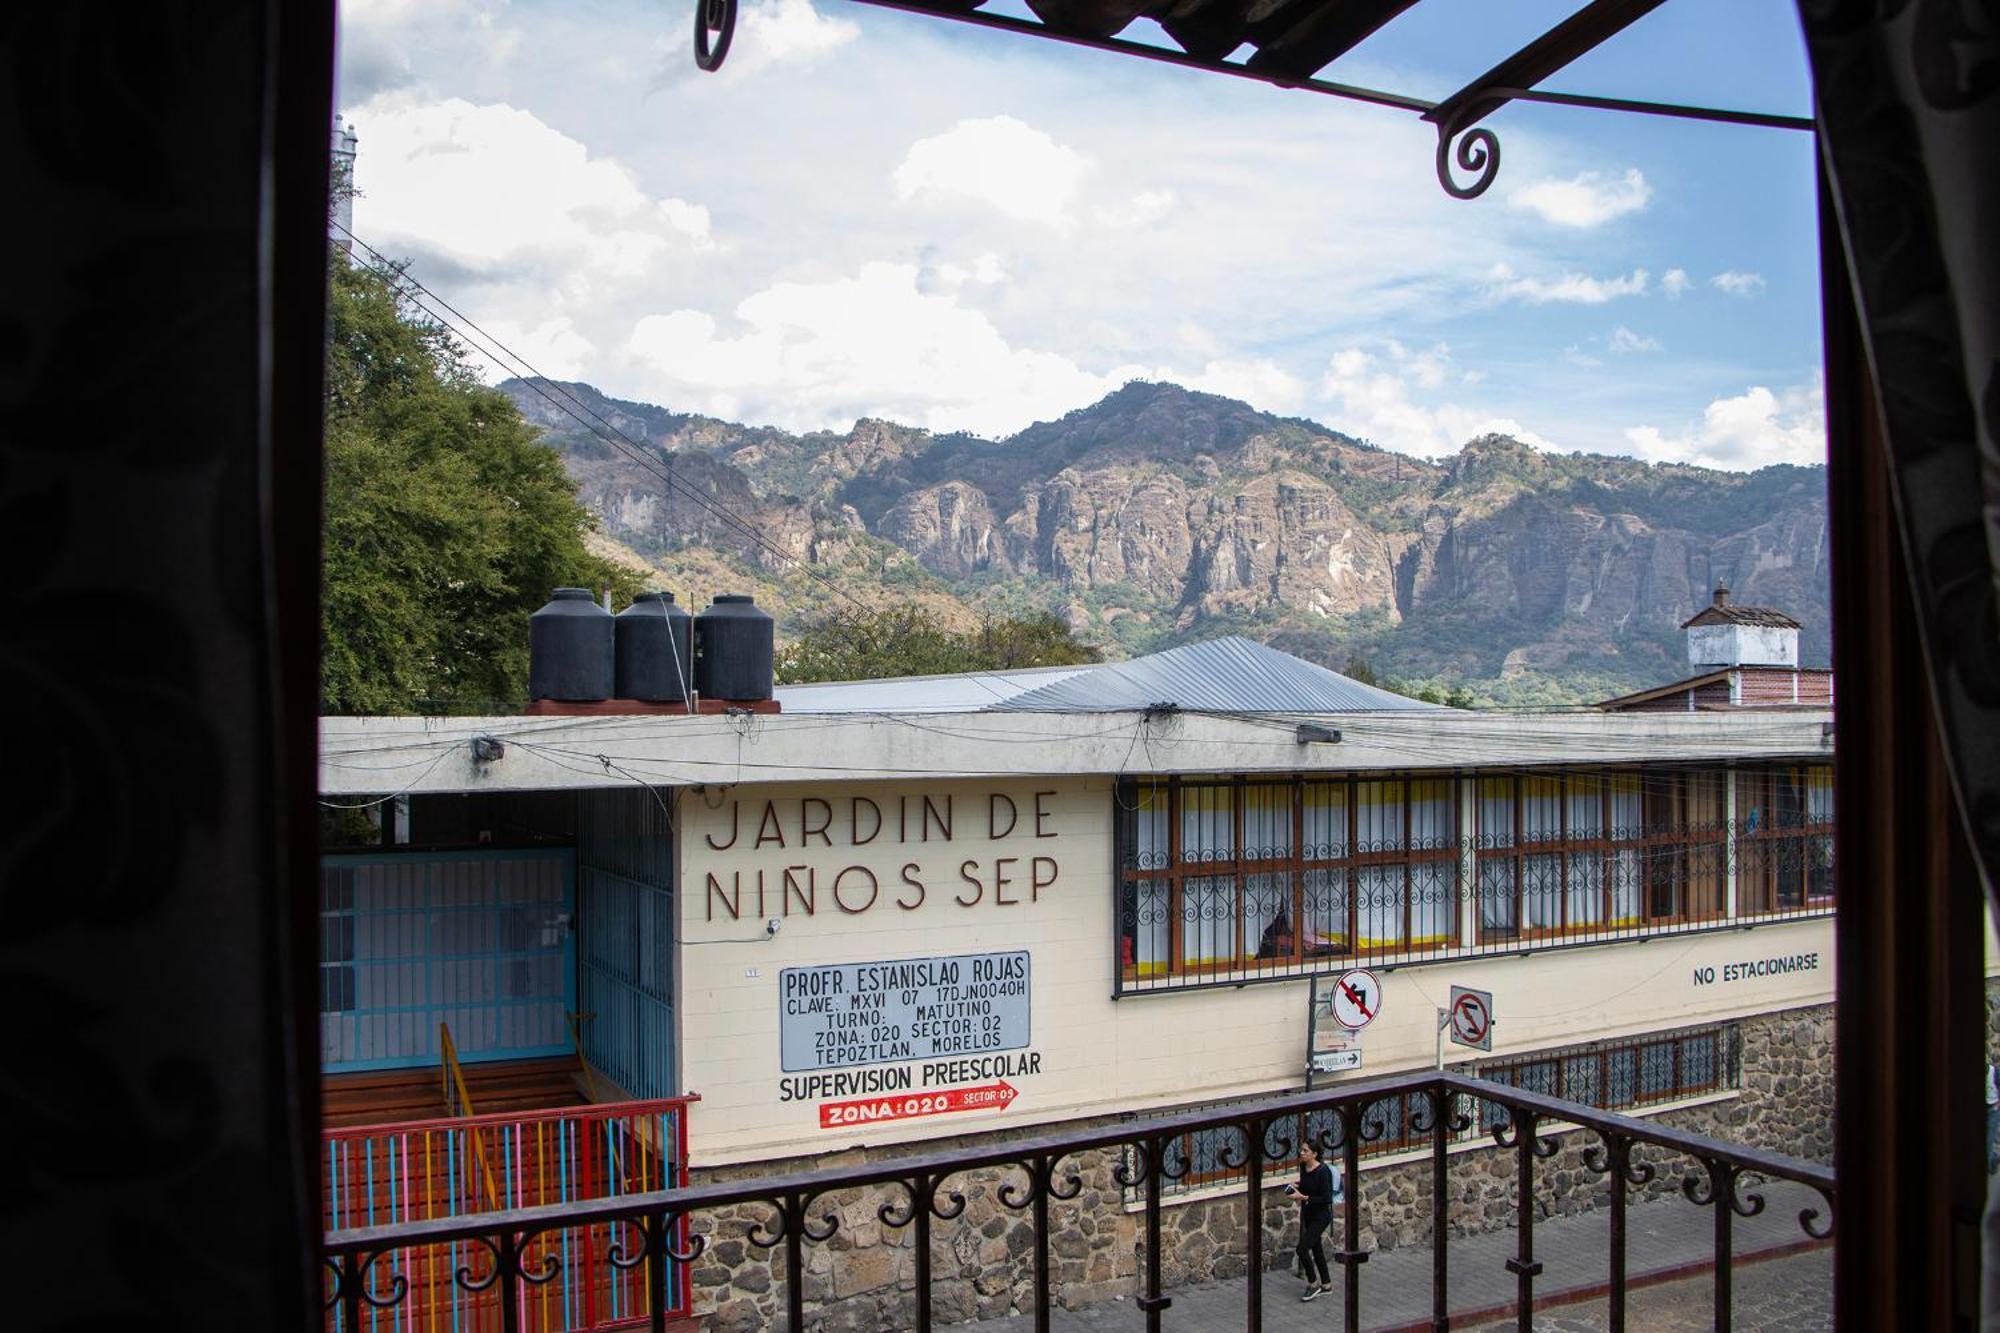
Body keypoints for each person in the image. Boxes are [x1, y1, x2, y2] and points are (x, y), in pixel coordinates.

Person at [1285, 1140, 1338, 1301]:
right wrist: (1296, 1187)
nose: (1302, 1153)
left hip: (1321, 1216)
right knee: (1316, 1249)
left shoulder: (1323, 1171)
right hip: (1308, 1214)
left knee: (1302, 1249)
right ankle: (1327, 1285)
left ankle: (1313, 1283)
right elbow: (1307, 1186)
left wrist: (1303, 1197)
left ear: (1314, 1154)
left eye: (1305, 1151)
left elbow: (1326, 1198)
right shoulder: (1303, 1168)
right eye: (1301, 1150)